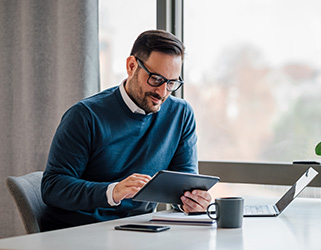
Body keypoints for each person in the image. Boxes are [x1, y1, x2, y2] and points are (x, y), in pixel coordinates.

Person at [41, 30, 212, 231]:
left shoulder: (180, 115)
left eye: (171, 83)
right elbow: (53, 187)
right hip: (78, 231)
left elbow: (183, 187)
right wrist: (113, 191)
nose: (162, 92)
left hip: (138, 229)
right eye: (156, 79)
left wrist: (193, 201)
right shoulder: (85, 115)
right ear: (131, 66)